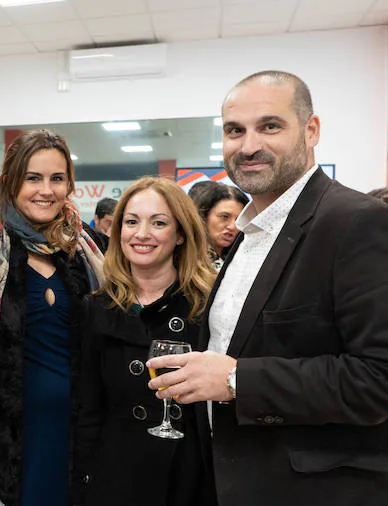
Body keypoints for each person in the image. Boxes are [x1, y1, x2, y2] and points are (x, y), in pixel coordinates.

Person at [148, 70, 388, 506]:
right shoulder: (249, 233)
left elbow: (377, 379)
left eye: (270, 126)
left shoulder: (357, 221)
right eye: (234, 131)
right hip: (230, 481)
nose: (249, 145)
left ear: (311, 130)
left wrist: (238, 378)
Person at [0, 129, 104, 506]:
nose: (46, 190)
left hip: (76, 433)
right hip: (2, 438)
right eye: (33, 178)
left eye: (57, 179)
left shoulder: (86, 252)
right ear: (11, 182)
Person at [73, 177, 216, 506]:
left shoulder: (207, 306)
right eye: (131, 222)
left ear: (180, 234)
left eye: (159, 223)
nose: (141, 234)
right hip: (117, 474)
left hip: (189, 474)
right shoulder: (97, 307)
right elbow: (88, 407)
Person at [193, 183, 249, 270]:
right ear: (204, 216)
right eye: (224, 217)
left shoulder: (241, 260)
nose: (233, 227)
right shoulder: (187, 261)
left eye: (239, 220)